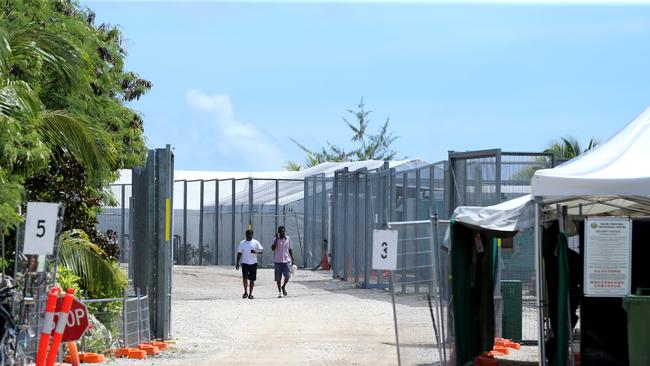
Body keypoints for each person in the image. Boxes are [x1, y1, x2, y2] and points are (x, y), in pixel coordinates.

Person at [235, 229, 263, 300]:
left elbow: (261, 251)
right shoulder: (242, 243)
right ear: (246, 235)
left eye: (251, 234)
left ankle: (250, 294)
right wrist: (237, 263)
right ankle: (245, 292)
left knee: (252, 279)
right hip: (245, 263)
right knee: (244, 278)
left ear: (252, 235)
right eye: (248, 234)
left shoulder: (255, 242)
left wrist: (255, 252)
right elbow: (239, 253)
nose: (250, 236)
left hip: (253, 263)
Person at [271, 226, 294, 298]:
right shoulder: (275, 239)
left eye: (283, 231)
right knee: (278, 278)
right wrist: (276, 239)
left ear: (285, 231)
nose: (282, 232)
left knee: (287, 276)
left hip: (287, 260)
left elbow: (290, 249)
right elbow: (273, 248)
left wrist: (292, 257)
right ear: (278, 232)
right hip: (278, 261)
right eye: (280, 231)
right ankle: (280, 292)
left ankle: (283, 286)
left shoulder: (288, 239)